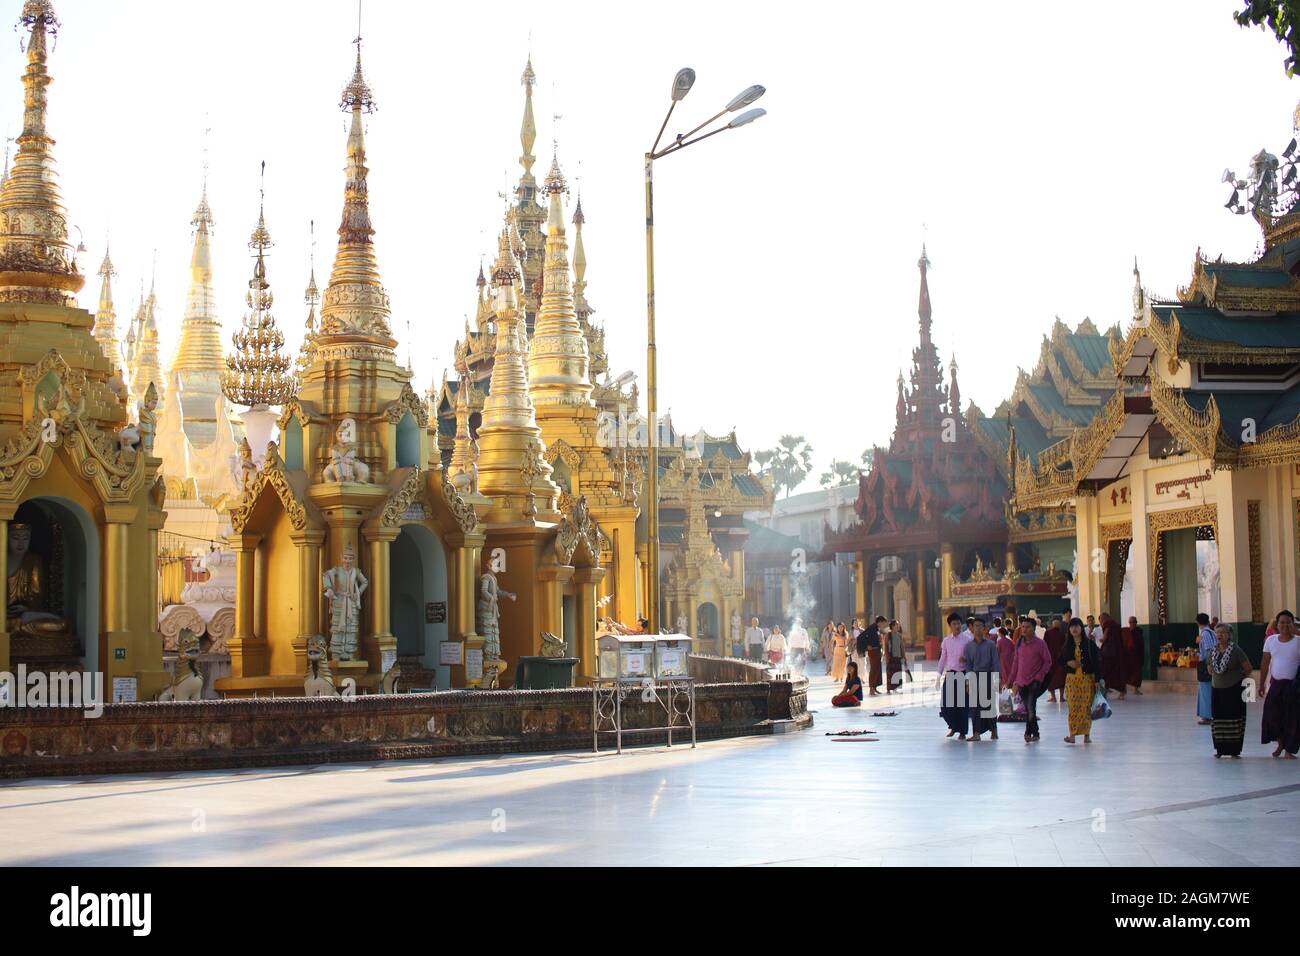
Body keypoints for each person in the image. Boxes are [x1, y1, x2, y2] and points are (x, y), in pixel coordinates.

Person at [1260, 609, 1300, 758]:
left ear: (1293, 624)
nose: (1285, 625)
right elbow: (1265, 663)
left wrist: (1296, 631)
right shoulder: (1271, 640)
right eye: (1282, 622)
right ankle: (1280, 744)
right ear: (1277, 624)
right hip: (1276, 685)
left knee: (1292, 718)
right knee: (1274, 716)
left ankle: (1289, 750)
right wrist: (1261, 683)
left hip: (1293, 686)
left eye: (1288, 622)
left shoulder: (1298, 641)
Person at [1209, 623, 1252, 758]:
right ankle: (1220, 749)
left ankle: (1234, 750)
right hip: (1217, 689)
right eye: (1217, 633)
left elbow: (1248, 668)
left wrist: (1237, 678)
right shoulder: (1213, 651)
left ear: (1229, 635)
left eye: (1223, 632)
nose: (1219, 635)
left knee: (1233, 719)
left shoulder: (1236, 650)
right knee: (1218, 719)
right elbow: (1209, 668)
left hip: (1233, 690)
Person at [1009, 616, 1053, 743]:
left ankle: (1028, 732)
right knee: (1029, 709)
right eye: (1023, 627)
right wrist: (1011, 680)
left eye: (1028, 627)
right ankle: (1036, 732)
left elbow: (1048, 662)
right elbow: (1016, 663)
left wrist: (1039, 676)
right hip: (1022, 681)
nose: (1024, 629)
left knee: (1031, 707)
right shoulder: (1019, 643)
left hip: (1034, 681)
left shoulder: (1040, 644)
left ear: (1034, 628)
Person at [1061, 617, 1100, 744]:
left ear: (1081, 628)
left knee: (1085, 708)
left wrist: (1097, 680)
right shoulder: (1067, 645)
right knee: (1073, 708)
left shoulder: (1089, 644)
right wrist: (1068, 663)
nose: (1074, 629)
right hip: (1072, 681)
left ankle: (1086, 735)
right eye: (1072, 627)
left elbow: (1097, 662)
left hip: (1087, 680)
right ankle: (1072, 735)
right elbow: (1059, 661)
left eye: (1077, 626)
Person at [961, 617, 1000, 741]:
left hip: (988, 676)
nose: (977, 628)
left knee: (989, 705)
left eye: (980, 626)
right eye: (975, 625)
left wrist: (997, 680)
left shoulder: (991, 645)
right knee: (974, 707)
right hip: (974, 677)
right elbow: (968, 666)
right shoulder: (968, 646)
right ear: (972, 628)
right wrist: (967, 682)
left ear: (984, 628)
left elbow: (996, 663)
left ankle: (994, 731)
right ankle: (976, 733)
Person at [936, 612, 972, 739]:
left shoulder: (968, 640)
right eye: (954, 624)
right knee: (946, 705)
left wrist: (966, 661)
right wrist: (938, 675)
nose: (957, 626)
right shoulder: (946, 641)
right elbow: (942, 658)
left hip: (963, 674)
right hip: (950, 674)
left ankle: (962, 731)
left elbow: (972, 659)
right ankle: (953, 726)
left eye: (958, 623)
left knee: (962, 705)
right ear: (949, 626)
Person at [1098, 611, 1126, 700]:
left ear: (1104, 618)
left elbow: (1105, 635)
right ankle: (1122, 692)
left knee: (1105, 671)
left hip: (1109, 652)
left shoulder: (1108, 624)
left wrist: (1102, 640)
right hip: (1119, 651)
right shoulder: (1116, 624)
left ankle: (1104, 692)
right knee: (1119, 672)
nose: (1101, 622)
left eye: (1101, 619)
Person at [1196, 612, 1215, 725]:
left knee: (1205, 690)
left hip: (1206, 664)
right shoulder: (1212, 632)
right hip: (1209, 663)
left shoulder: (1205, 634)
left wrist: (1209, 664)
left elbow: (1208, 650)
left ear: (1198, 622)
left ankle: (1207, 715)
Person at [1043, 615, 1067, 702]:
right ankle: (1061, 697)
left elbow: (1044, 645)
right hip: (1060, 660)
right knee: (1061, 679)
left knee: (1051, 679)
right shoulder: (1062, 634)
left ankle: (1053, 697)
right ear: (1059, 626)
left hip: (1050, 660)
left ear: (1053, 625)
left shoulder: (1048, 633)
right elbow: (1064, 647)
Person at [1122, 616, 1145, 695]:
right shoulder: (1126, 632)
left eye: (1133, 622)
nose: (1132, 624)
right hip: (1128, 655)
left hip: (1137, 656)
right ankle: (1123, 690)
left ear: (1136, 622)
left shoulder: (1139, 631)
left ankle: (1135, 689)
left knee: (1137, 673)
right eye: (1130, 622)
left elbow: (1141, 644)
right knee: (1125, 673)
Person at [865, 615, 885, 695]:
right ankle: (871, 688)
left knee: (877, 669)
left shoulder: (878, 629)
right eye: (883, 623)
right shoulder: (871, 628)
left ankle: (875, 687)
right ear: (879, 622)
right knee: (873, 669)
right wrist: (867, 645)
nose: (884, 625)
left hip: (877, 650)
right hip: (873, 651)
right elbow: (864, 637)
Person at [996, 616, 1017, 689]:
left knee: (1004, 673)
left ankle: (1005, 686)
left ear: (1001, 633)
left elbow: (998, 651)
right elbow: (1014, 649)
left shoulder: (1000, 641)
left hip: (1003, 659)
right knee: (1010, 672)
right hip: (1010, 658)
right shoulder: (1010, 640)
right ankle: (1010, 685)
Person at [886, 619, 905, 692]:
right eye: (896, 625)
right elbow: (886, 647)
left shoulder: (899, 635)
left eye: (898, 625)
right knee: (891, 673)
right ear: (892, 626)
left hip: (898, 657)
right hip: (891, 657)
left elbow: (902, 647)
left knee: (897, 673)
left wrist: (904, 657)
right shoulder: (888, 635)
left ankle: (896, 688)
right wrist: (887, 657)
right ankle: (889, 688)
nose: (898, 626)